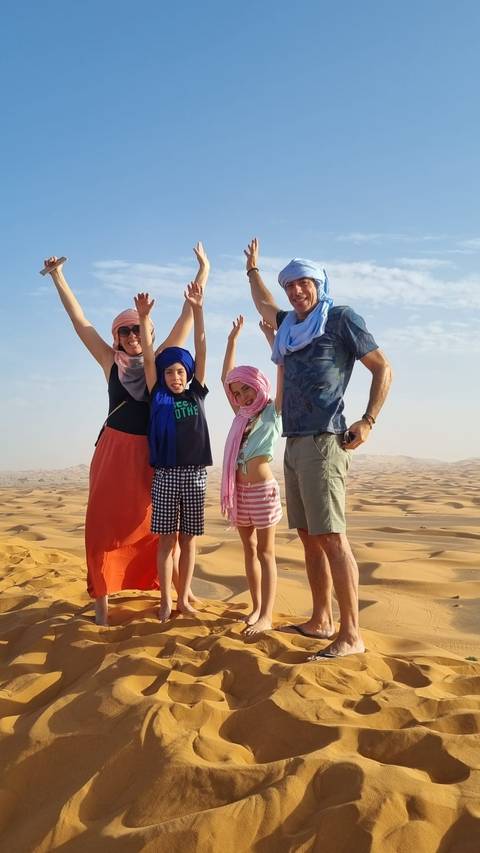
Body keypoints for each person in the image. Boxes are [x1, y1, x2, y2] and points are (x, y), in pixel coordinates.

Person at [42, 245, 209, 626]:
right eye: (124, 331)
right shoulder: (108, 361)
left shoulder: (163, 356)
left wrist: (204, 269)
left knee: (163, 526)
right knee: (102, 525)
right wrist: (58, 277)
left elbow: (189, 311)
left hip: (156, 453)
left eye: (137, 328)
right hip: (115, 452)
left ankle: (179, 591)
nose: (132, 335)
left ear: (149, 329)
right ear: (116, 337)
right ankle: (101, 603)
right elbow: (80, 321)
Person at [244, 238, 392, 658]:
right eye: (290, 286)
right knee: (309, 536)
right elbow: (262, 303)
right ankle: (321, 619)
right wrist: (253, 270)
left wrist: (368, 420)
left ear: (319, 283)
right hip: (294, 441)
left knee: (331, 538)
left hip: (326, 439)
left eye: (304, 283)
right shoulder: (289, 325)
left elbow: (382, 367)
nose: (296, 291)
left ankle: (351, 634)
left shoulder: (340, 318)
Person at [135, 279, 212, 622]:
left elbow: (202, 347)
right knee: (166, 541)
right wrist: (143, 319)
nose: (174, 377)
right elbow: (148, 358)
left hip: (195, 474)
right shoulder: (157, 394)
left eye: (180, 372)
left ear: (188, 374)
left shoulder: (196, 392)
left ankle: (184, 598)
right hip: (166, 474)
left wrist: (197, 310)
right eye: (169, 372)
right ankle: (165, 600)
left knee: (189, 540)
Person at [221, 315, 283, 635]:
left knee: (266, 551)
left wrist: (272, 338)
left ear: (258, 386)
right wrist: (232, 340)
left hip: (262, 491)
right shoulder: (241, 416)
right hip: (240, 493)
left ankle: (268, 615)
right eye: (238, 392)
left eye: (247, 389)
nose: (243, 396)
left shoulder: (272, 411)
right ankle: (256, 606)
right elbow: (224, 379)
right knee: (248, 550)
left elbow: (285, 370)